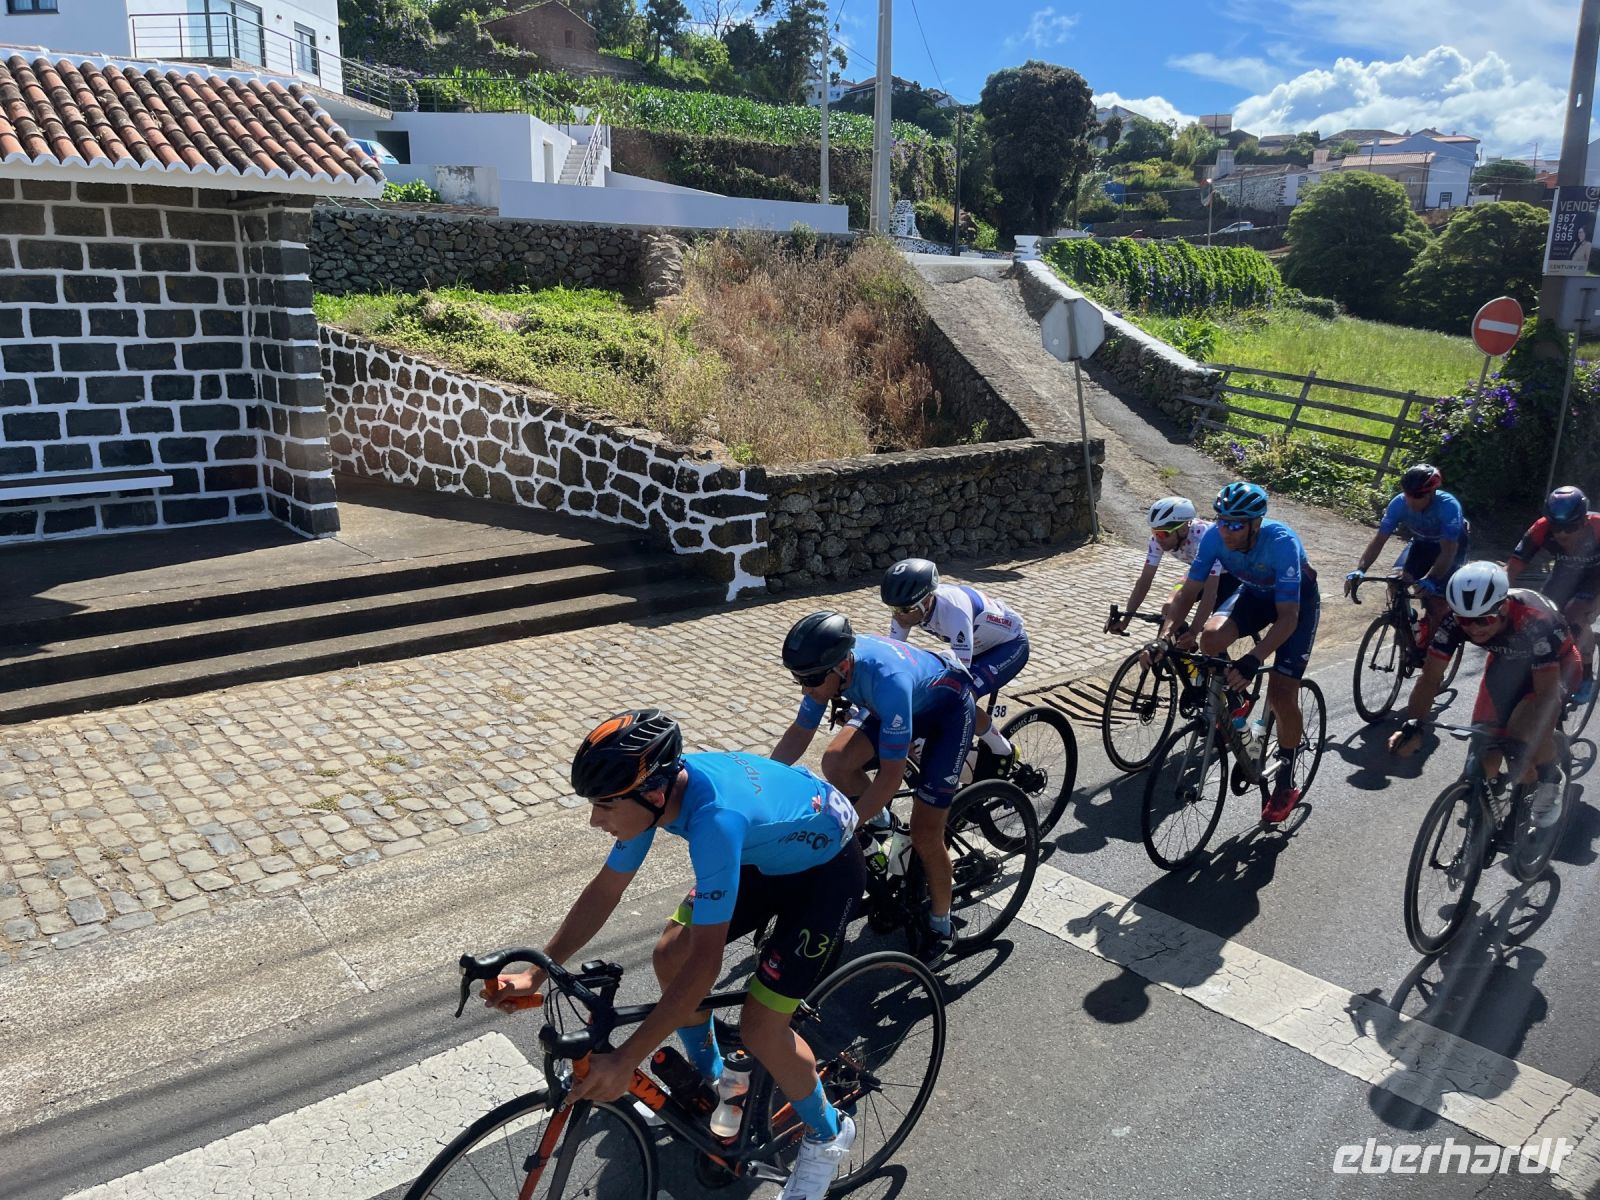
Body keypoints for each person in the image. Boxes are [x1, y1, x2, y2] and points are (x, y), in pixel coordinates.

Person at [483, 710, 865, 1200]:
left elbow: (706, 966)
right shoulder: (649, 793)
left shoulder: (712, 820)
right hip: (764, 855)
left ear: (656, 793)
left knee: (761, 1026)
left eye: (604, 805)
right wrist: (538, 969)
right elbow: (606, 890)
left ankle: (829, 1135)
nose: (595, 819)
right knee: (670, 953)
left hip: (825, 873)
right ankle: (710, 1083)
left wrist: (626, 1058)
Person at [772, 611, 975, 964]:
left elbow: (890, 777)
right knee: (836, 761)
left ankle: (941, 925)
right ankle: (884, 827)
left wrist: (849, 824)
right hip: (896, 706)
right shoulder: (831, 666)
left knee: (926, 832)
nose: (805, 688)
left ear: (841, 669)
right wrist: (764, 779)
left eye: (811, 679)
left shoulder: (886, 682)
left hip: (946, 713)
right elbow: (801, 732)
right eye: (798, 678)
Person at [1151, 481, 1320, 823]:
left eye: (1236, 524)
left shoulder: (1282, 543)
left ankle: (1285, 780)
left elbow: (1288, 618)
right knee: (1210, 639)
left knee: (1281, 693)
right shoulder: (1214, 537)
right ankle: (1235, 708)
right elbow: (1188, 593)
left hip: (1293, 605)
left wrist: (1252, 659)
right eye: (1222, 521)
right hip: (1254, 596)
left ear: (1255, 523)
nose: (1226, 530)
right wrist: (1166, 636)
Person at [1387, 564, 1576, 827]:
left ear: (1504, 608)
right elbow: (1430, 678)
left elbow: (1546, 698)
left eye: (1483, 620)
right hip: (1506, 664)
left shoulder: (1535, 622)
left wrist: (1527, 745)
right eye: (1465, 620)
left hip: (1558, 666)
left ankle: (1550, 778)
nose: (1474, 629)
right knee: (1480, 759)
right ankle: (1496, 801)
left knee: (1521, 736)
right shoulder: (1454, 621)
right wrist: (1413, 725)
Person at [880, 557, 1027, 769]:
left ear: (926, 600)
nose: (897, 617)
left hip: (1009, 646)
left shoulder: (955, 611)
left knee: (962, 697)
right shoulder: (909, 609)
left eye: (903, 610)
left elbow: (960, 675)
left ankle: (1004, 750)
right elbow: (893, 656)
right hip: (976, 646)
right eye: (892, 609)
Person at [1344, 463, 1468, 658]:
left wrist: (1432, 579)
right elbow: (1379, 540)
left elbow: (1448, 551)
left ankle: (1433, 653)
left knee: (1436, 602)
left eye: (1417, 496)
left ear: (1431, 493)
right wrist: (1361, 569)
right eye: (1407, 494)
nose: (1411, 500)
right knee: (1395, 580)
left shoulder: (1448, 506)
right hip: (1421, 544)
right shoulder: (1399, 504)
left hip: (1450, 547)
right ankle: (1409, 624)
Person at [1507, 486, 1600, 704]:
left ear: (1584, 520)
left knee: (1576, 618)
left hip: (1596, 577)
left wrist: (1594, 606)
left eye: (1570, 527)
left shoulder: (1598, 527)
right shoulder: (1541, 527)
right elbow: (1513, 568)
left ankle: (1586, 674)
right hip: (1565, 573)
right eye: (1557, 527)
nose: (1562, 534)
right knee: (1540, 618)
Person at [1107, 496, 1237, 646]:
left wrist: (1193, 632)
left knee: (1213, 634)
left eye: (1163, 534)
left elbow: (1210, 594)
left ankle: (1220, 664)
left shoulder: (1204, 539)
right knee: (1169, 608)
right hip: (1199, 572)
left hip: (1231, 576)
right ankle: (1173, 652)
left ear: (1182, 529)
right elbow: (1144, 581)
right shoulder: (1157, 540)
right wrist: (1125, 620)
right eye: (1155, 532)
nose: (1158, 539)